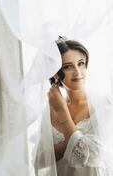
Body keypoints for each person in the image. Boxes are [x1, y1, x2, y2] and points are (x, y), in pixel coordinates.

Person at [35, 36, 102, 176]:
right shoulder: (49, 110)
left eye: (81, 63)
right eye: (67, 66)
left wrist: (63, 113)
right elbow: (38, 161)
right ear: (55, 73)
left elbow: (86, 157)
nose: (77, 72)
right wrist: (71, 142)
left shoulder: (103, 105)